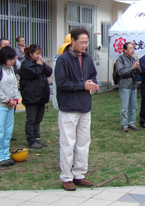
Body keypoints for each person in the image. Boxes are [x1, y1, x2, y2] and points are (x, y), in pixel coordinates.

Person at [55, 28, 99, 191]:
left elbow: (93, 75)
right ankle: (66, 177)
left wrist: (93, 84)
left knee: (83, 142)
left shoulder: (88, 58)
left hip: (84, 106)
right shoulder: (63, 60)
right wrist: (83, 85)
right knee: (67, 143)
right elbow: (62, 83)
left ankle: (79, 174)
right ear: (72, 41)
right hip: (68, 108)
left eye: (86, 42)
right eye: (81, 42)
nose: (84, 45)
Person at [0, 46, 19, 167]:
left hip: (10, 106)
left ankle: (5, 153)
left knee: (7, 131)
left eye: (13, 59)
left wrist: (15, 99)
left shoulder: (10, 70)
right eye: (10, 59)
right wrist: (7, 101)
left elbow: (14, 84)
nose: (12, 62)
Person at [19, 44, 52, 149]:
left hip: (41, 96)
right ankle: (31, 139)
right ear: (30, 53)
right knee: (31, 120)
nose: (38, 56)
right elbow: (34, 73)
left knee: (38, 119)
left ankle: (37, 137)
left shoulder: (38, 63)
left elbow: (49, 72)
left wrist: (42, 65)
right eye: (37, 54)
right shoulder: (26, 64)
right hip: (31, 97)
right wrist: (39, 65)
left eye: (40, 54)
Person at [115, 42, 142, 132]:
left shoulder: (133, 59)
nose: (132, 50)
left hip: (133, 85)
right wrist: (132, 67)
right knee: (125, 107)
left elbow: (139, 72)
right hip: (125, 85)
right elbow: (121, 72)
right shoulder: (120, 59)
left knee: (134, 106)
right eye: (130, 48)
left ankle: (131, 123)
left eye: (132, 48)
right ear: (124, 50)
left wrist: (137, 67)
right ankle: (124, 124)